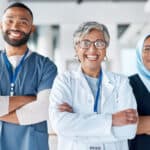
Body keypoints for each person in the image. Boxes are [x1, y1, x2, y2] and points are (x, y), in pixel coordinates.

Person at [49, 21, 138, 150]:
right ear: (76, 48)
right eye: (85, 43)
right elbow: (60, 125)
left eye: (99, 43)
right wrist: (112, 120)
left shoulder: (121, 82)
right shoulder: (64, 81)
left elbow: (128, 130)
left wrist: (76, 124)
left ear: (105, 48)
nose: (92, 49)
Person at [0, 2, 57, 150]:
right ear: (1, 25)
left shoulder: (46, 66)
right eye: (10, 20)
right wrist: (30, 99)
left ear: (32, 29)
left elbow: (44, 108)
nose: (15, 26)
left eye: (23, 22)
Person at [128, 34, 150, 150]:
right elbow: (126, 125)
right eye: (147, 49)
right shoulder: (127, 84)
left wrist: (144, 122)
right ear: (139, 53)